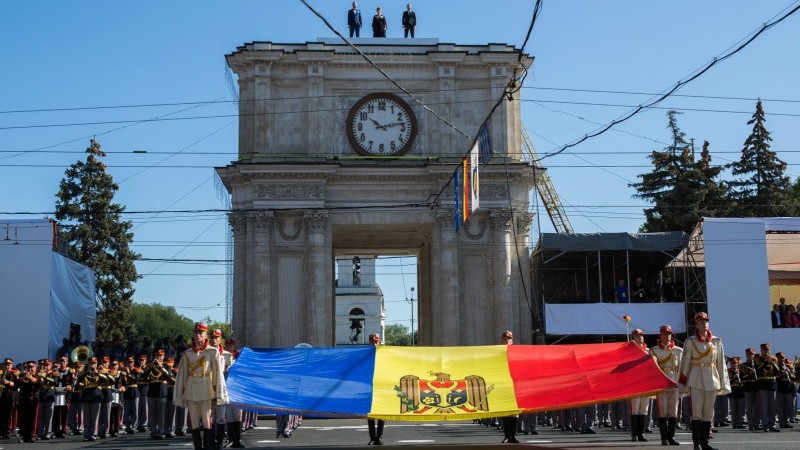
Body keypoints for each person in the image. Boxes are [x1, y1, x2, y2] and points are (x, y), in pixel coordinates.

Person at [678, 312, 730, 450]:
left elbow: (720, 362)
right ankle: (696, 443)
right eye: (701, 322)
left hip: (712, 378)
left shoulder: (716, 341)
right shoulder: (691, 341)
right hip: (696, 378)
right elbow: (686, 362)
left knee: (708, 413)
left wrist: (723, 381)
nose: (705, 323)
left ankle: (705, 442)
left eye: (706, 321)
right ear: (696, 324)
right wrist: (683, 381)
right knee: (697, 413)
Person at [174, 322, 228, 450]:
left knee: (207, 421)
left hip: (206, 390)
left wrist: (217, 392)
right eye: (197, 332)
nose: (198, 335)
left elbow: (216, 374)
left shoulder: (212, 352)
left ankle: (209, 446)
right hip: (192, 390)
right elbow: (182, 375)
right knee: (194, 422)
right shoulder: (187, 353)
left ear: (205, 335)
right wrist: (182, 392)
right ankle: (198, 447)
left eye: (201, 333)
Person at [650, 325, 682, 445]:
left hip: (674, 382)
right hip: (662, 383)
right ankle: (664, 437)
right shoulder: (654, 350)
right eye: (665, 333)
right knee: (662, 411)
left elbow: (681, 368)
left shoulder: (678, 350)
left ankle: (671, 437)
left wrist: (680, 382)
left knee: (673, 411)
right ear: (660, 335)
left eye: (669, 333)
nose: (667, 336)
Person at [144, 349, 171, 440]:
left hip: (161, 392)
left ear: (163, 357)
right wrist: (151, 367)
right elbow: (143, 377)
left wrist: (160, 366)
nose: (159, 357)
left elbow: (169, 377)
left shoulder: (166, 366)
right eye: (157, 356)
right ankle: (153, 432)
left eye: (160, 356)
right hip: (151, 391)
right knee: (152, 414)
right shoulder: (150, 366)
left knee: (161, 414)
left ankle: (161, 431)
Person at [629, 329, 650, 442]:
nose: (640, 337)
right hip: (635, 383)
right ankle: (634, 434)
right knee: (635, 409)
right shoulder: (630, 351)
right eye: (637, 336)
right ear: (633, 338)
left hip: (645, 383)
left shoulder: (648, 351)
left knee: (643, 409)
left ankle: (641, 433)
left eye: (641, 335)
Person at [754, 343, 780, 432]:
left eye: (768, 350)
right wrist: (765, 361)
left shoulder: (774, 359)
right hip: (763, 384)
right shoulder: (757, 359)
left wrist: (772, 362)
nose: (767, 351)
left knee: (772, 406)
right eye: (765, 350)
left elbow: (777, 372)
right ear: (761, 350)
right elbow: (758, 371)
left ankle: (772, 425)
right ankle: (765, 425)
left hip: (772, 383)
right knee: (764, 406)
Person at [500, 330, 520, 444]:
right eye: (505, 338)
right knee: (505, 410)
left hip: (513, 383)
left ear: (512, 340)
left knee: (514, 411)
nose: (507, 340)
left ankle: (514, 435)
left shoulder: (516, 352)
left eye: (509, 338)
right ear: (501, 340)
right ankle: (507, 436)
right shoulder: (498, 352)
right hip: (503, 383)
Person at [78, 357, 103, 442]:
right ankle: (86, 434)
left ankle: (93, 434)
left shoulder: (100, 372)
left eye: (94, 363)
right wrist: (86, 372)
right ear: (88, 364)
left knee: (95, 417)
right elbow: (79, 379)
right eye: (91, 363)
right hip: (86, 395)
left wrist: (98, 373)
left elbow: (106, 380)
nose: (92, 365)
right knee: (87, 417)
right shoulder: (84, 372)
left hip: (96, 395)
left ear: (97, 364)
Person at [367, 333, 386, 445]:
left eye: (376, 341)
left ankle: (379, 437)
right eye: (372, 341)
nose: (374, 343)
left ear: (379, 341)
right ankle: (372, 438)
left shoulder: (384, 353)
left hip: (381, 386)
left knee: (381, 414)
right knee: (370, 414)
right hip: (370, 387)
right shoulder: (365, 353)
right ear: (369, 342)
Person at [740, 347, 761, 430]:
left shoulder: (758, 364)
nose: (751, 356)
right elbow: (742, 378)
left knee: (758, 407)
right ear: (746, 355)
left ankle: (757, 424)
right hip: (748, 387)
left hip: (757, 387)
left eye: (752, 354)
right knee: (749, 407)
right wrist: (749, 373)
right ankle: (751, 424)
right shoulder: (742, 366)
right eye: (749, 354)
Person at [775, 352, 795, 428]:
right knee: (780, 407)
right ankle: (781, 422)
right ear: (777, 358)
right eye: (780, 357)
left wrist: (790, 373)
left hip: (788, 388)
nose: (782, 359)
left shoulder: (788, 366)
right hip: (780, 389)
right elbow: (774, 376)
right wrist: (781, 375)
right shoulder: (776, 366)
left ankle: (786, 422)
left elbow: (793, 378)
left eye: (783, 357)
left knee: (787, 407)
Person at [727, 357, 746, 429]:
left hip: (740, 390)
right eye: (733, 363)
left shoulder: (741, 371)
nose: (734, 364)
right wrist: (733, 378)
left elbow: (745, 379)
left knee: (741, 409)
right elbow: (727, 382)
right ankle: (734, 424)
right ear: (730, 363)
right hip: (733, 390)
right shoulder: (728, 371)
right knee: (734, 409)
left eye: (736, 363)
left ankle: (740, 423)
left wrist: (740, 378)